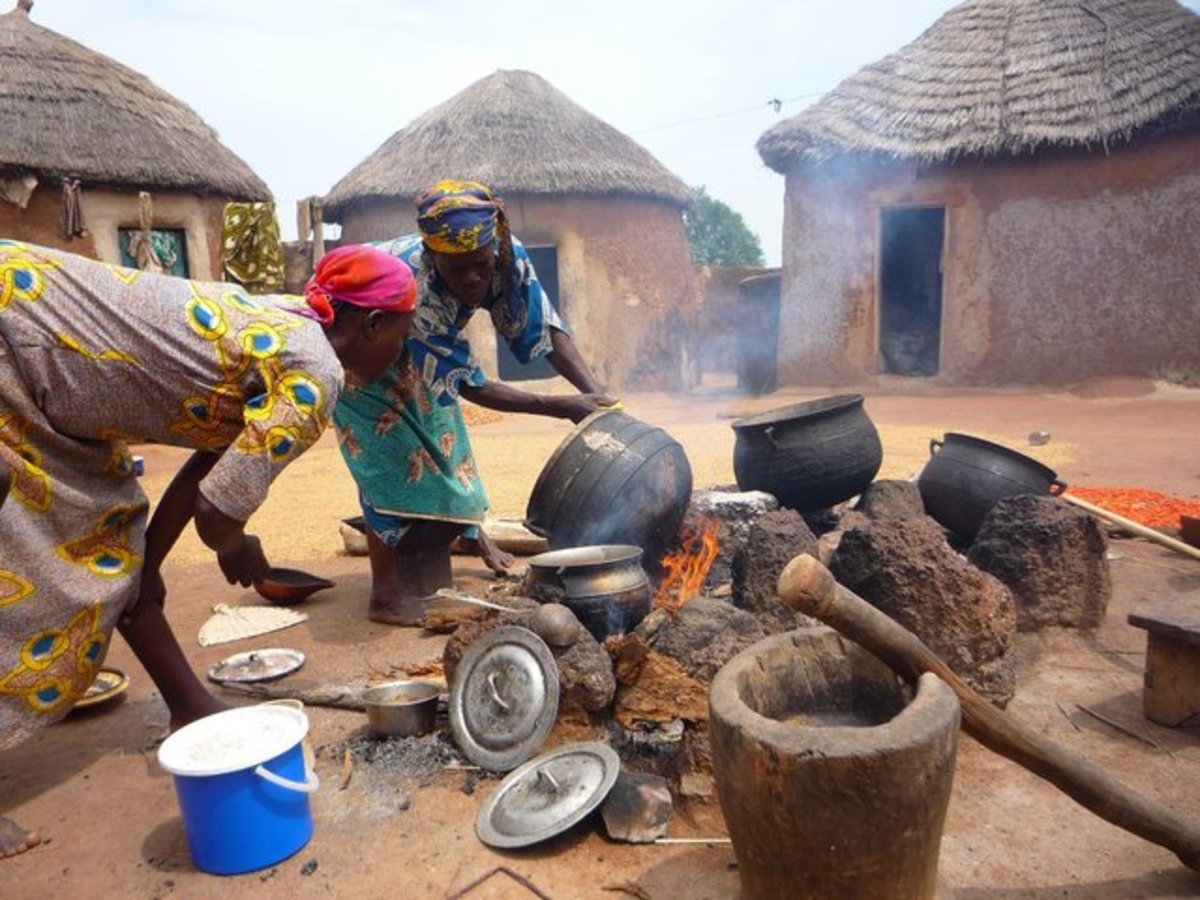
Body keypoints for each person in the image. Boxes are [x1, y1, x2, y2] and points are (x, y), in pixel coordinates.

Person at [0, 241, 416, 858]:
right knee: (40, 550)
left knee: (111, 534)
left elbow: (208, 465)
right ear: (373, 324)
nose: (399, 358)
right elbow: (216, 513)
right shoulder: (317, 374)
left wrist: (153, 563)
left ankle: (189, 706)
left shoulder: (289, 324)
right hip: (18, 334)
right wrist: (241, 549)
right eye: (400, 340)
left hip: (34, 333)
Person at [335, 179, 615, 625]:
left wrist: (594, 397)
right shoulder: (416, 287)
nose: (471, 279)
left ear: (496, 246)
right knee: (388, 453)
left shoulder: (507, 253)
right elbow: (470, 385)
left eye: (480, 267)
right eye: (456, 270)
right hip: (356, 344)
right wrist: (561, 407)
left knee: (447, 438)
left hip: (414, 343)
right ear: (432, 260)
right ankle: (384, 595)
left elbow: (547, 327)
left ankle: (472, 535)